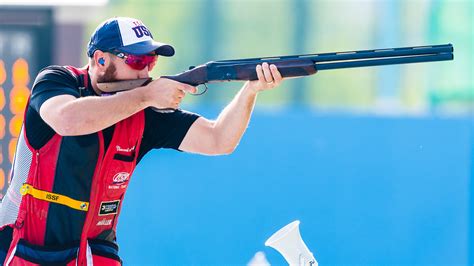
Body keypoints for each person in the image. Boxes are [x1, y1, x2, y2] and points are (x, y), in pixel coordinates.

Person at [0, 17, 283, 265]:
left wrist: (250, 91)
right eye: (136, 61)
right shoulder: (57, 80)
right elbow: (67, 120)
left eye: (151, 62)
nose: (146, 72)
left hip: (91, 251)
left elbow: (219, 139)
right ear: (100, 59)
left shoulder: (145, 114)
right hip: (22, 246)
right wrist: (147, 96)